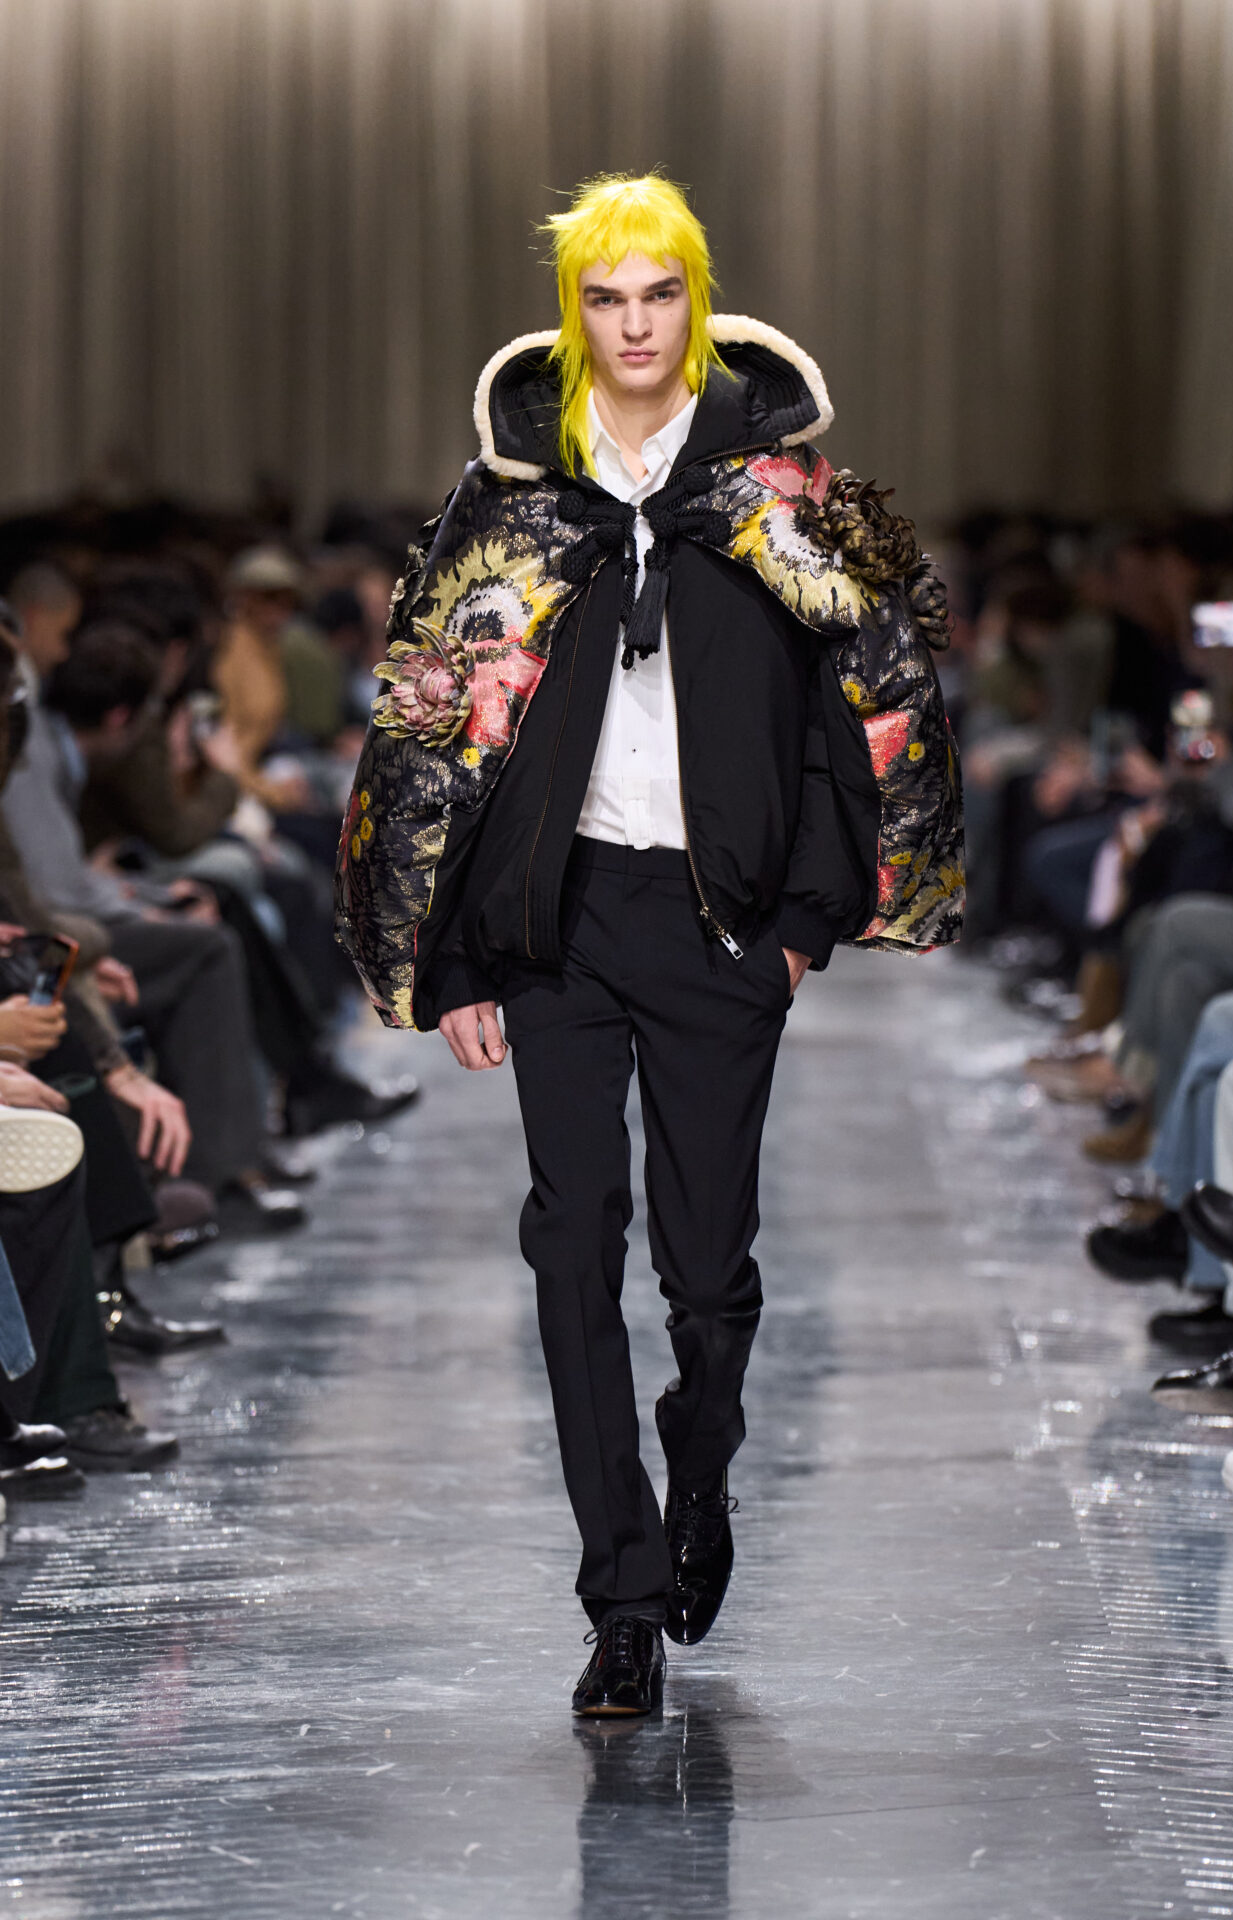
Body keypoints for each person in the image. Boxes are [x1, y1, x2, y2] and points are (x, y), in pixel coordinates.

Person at [337, 174, 963, 1716]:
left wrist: (805, 924)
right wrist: (452, 958)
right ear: (574, 313)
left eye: (658, 293)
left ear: (698, 298)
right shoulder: (511, 495)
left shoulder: (784, 492)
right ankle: (618, 1600)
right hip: (554, 922)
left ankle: (703, 1456)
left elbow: (876, 697)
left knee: (705, 1264)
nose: (633, 324)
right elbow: (432, 722)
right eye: (605, 298)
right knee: (570, 1241)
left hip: (719, 923)